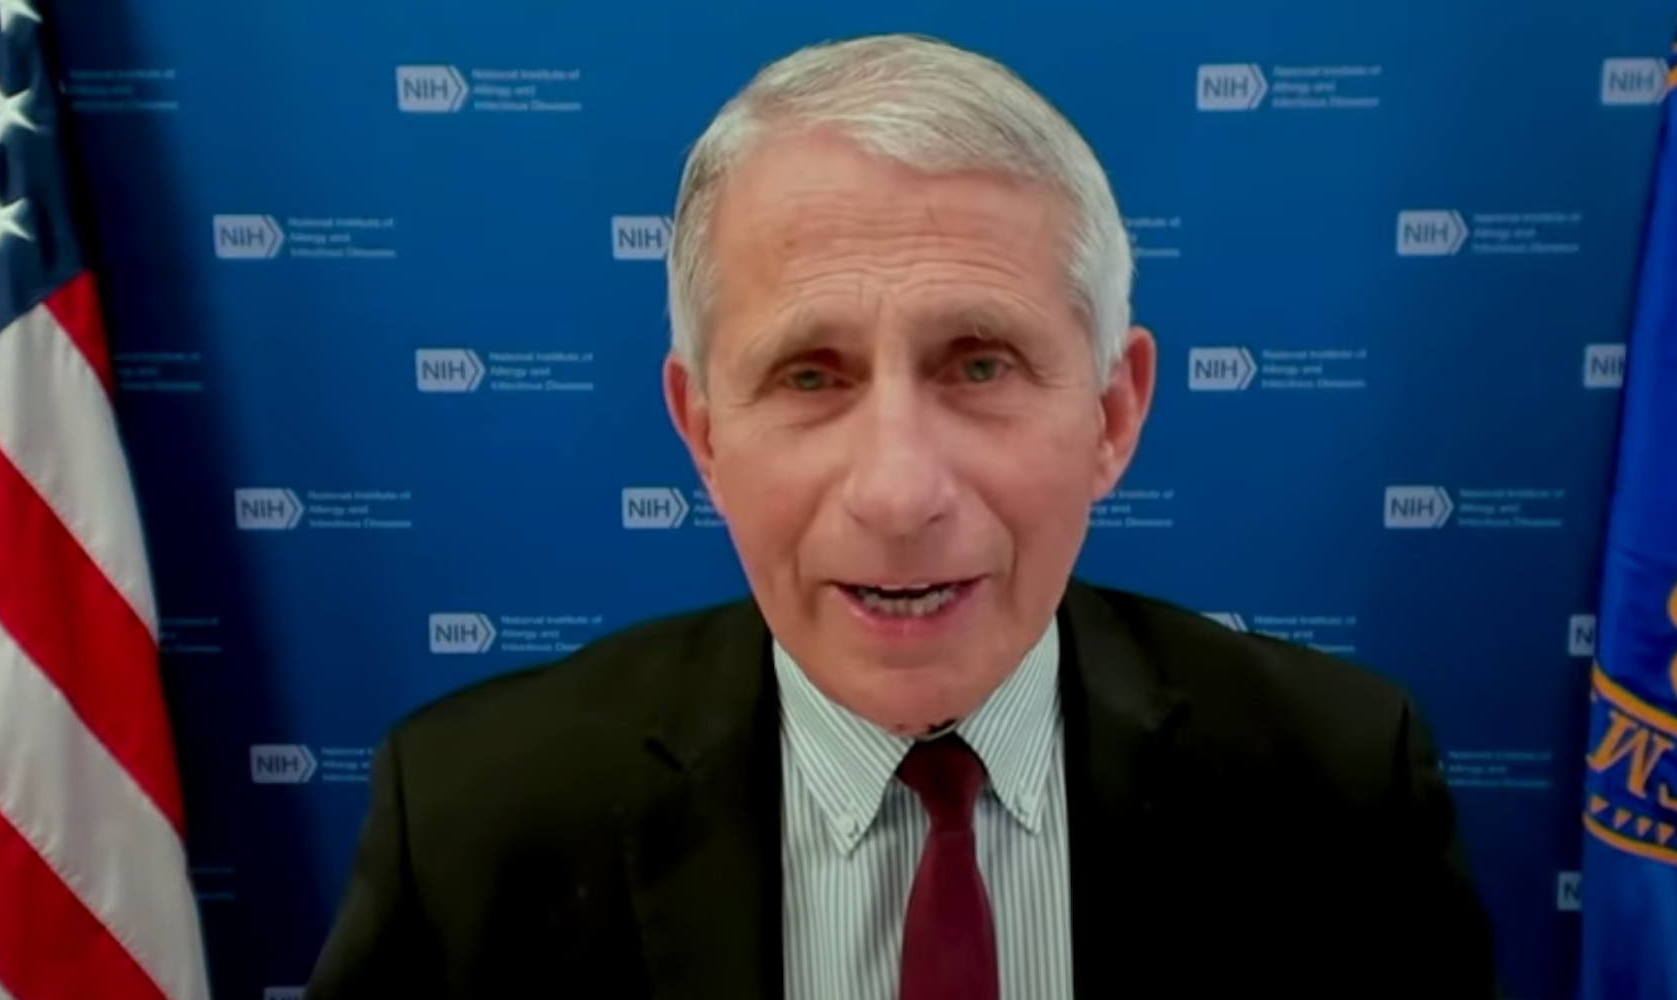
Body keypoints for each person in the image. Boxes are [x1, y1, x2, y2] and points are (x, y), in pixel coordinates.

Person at [304, 32, 1498, 1000]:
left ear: (1112, 412)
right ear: (703, 432)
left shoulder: (1340, 786)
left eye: (978, 367)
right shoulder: (471, 823)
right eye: (810, 376)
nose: (898, 490)